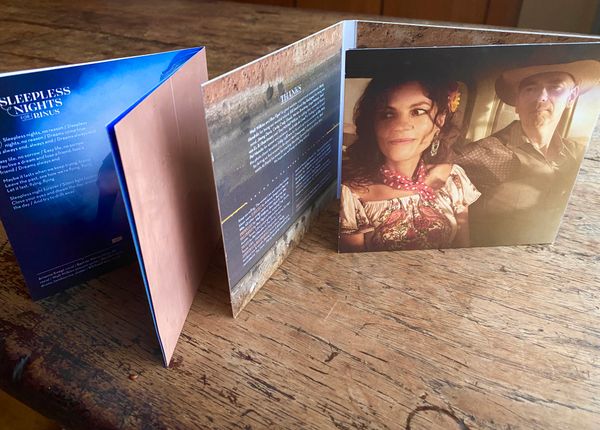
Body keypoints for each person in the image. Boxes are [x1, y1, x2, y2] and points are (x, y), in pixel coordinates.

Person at [454, 60, 600, 245]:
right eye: (530, 89)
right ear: (517, 103)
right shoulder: (485, 153)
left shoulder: (579, 155)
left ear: (571, 97)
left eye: (555, 87)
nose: (541, 98)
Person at [339, 76, 480, 252]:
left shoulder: (453, 179)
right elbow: (354, 265)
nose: (400, 125)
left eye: (418, 111)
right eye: (387, 114)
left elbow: (463, 253)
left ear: (440, 120)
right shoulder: (352, 196)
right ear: (374, 125)